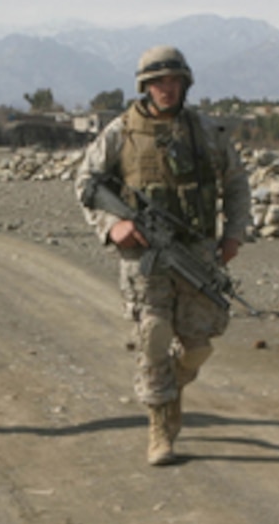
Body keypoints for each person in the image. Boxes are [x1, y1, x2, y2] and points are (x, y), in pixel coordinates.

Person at [74, 45, 251, 466]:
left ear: (184, 84)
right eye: (157, 82)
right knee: (153, 334)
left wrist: (235, 235)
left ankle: (173, 386)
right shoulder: (121, 132)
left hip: (197, 253)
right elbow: (86, 183)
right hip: (144, 257)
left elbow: (237, 183)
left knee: (197, 347)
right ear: (144, 86)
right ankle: (159, 428)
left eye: (173, 81)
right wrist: (111, 227)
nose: (166, 89)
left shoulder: (207, 132)